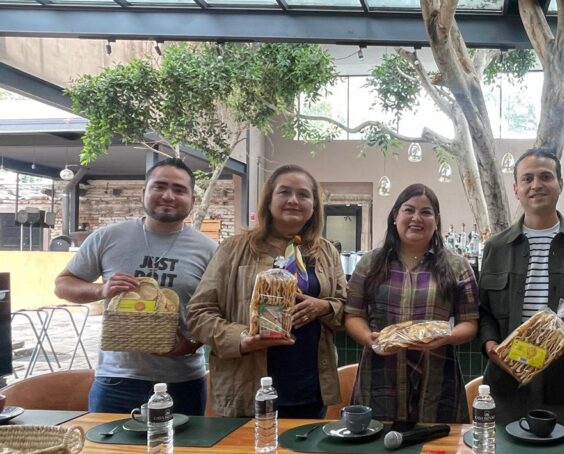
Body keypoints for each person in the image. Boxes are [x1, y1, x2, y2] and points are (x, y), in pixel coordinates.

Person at [55, 158, 216, 415]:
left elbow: (217, 310)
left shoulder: (209, 250)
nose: (168, 195)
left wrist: (193, 343)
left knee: (184, 443)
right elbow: (63, 285)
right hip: (116, 381)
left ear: (192, 200)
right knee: (107, 443)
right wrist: (100, 290)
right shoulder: (107, 237)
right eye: (159, 186)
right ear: (144, 193)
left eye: (179, 189)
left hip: (182, 382)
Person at [186, 165, 347, 418]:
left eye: (303, 195)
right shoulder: (234, 249)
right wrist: (241, 338)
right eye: (284, 192)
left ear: (314, 206)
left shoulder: (326, 252)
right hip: (247, 391)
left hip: (309, 390)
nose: (293, 200)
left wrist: (324, 307)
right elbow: (198, 313)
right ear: (269, 200)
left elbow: (345, 306)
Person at [479, 148, 564, 426]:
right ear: (516, 189)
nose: (536, 185)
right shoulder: (495, 248)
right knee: (504, 453)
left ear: (561, 184)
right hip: (506, 384)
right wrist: (491, 346)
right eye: (527, 179)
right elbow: (483, 310)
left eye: (546, 177)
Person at [344, 184, 479, 423]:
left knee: (438, 443)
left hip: (437, 378)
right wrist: (369, 339)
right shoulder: (370, 264)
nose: (417, 218)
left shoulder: (457, 266)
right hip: (380, 377)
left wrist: (446, 336)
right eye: (409, 210)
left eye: (426, 212)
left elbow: (469, 323)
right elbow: (353, 315)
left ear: (436, 220)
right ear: (395, 215)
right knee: (378, 444)